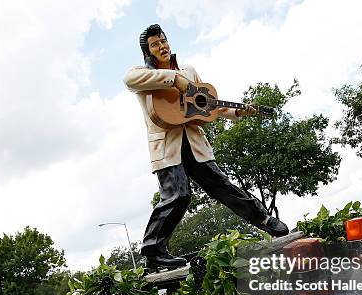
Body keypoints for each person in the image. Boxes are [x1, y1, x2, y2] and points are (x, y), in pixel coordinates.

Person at [123, 24, 289, 270]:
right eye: (155, 44)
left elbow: (208, 105)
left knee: (224, 187)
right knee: (178, 195)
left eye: (164, 41)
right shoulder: (143, 75)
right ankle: (154, 251)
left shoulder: (189, 70)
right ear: (148, 52)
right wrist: (174, 80)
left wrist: (237, 112)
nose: (162, 46)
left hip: (195, 143)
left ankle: (266, 220)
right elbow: (128, 80)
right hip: (167, 147)